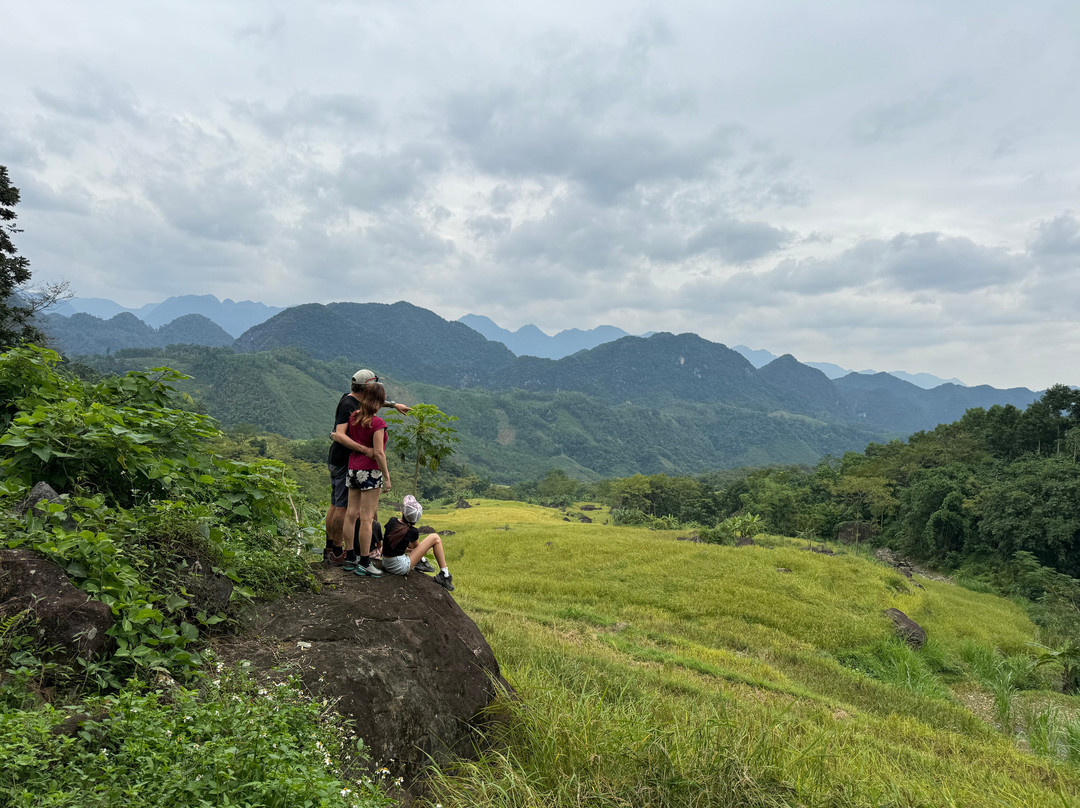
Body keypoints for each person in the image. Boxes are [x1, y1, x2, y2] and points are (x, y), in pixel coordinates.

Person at [324, 370, 410, 564]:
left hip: (348, 465)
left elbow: (373, 402)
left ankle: (334, 549)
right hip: (348, 463)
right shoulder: (350, 406)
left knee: (339, 506)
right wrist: (366, 451)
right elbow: (338, 434)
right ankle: (341, 552)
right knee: (343, 509)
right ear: (368, 388)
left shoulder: (355, 407)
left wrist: (395, 405)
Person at [339, 382, 391, 577]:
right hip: (370, 471)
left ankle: (350, 557)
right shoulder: (377, 423)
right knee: (367, 518)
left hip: (353, 469)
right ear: (379, 402)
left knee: (351, 514)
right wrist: (386, 477)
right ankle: (365, 561)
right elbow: (378, 452)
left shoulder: (353, 417)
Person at [380, 495, 455, 591]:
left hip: (386, 562)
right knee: (435, 538)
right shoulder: (413, 531)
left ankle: (424, 562)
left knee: (415, 544)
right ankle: (445, 574)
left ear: (403, 512)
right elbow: (416, 548)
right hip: (399, 567)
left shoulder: (392, 521)